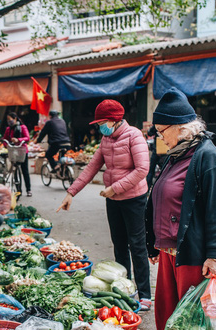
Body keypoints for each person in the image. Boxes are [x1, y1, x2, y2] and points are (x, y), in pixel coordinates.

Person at [146, 87, 216, 330]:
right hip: (169, 252)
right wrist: (155, 243)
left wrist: (215, 256)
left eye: (162, 131)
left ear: (180, 127)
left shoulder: (209, 158)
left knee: (195, 319)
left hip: (193, 254)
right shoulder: (178, 154)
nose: (160, 138)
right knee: (169, 313)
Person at [58, 99, 152, 310]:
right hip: (113, 200)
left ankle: (145, 295)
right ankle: (126, 288)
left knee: (137, 246)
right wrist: (71, 192)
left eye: (102, 122)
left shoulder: (134, 136)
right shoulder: (106, 139)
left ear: (113, 120)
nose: (100, 126)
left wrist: (115, 187)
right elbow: (91, 167)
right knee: (119, 245)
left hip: (134, 199)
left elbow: (142, 170)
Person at [3, 112, 32, 197]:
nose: (9, 121)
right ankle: (18, 190)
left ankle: (28, 189)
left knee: (25, 171)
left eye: (10, 119)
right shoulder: (8, 129)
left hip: (22, 151)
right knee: (15, 170)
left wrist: (18, 140)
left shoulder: (23, 127)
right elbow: (5, 139)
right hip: (13, 151)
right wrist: (6, 145)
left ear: (15, 118)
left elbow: (27, 138)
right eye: (7, 120)